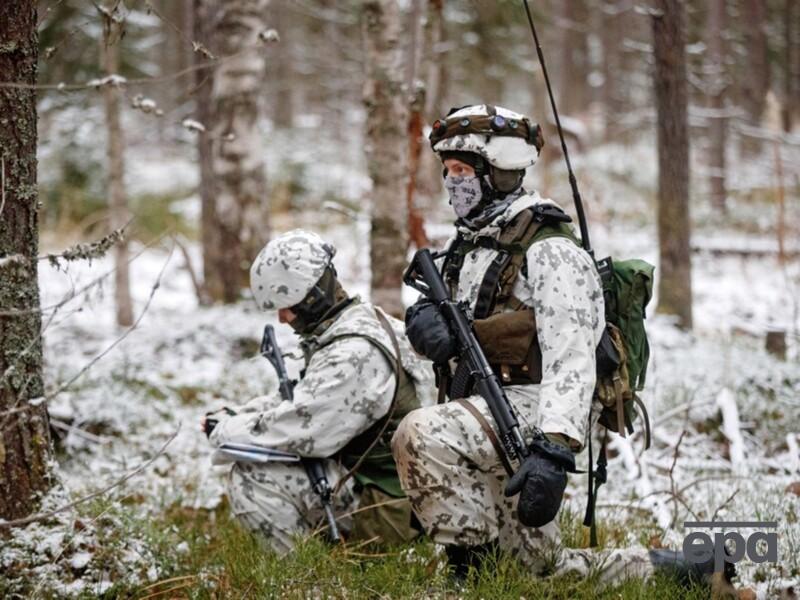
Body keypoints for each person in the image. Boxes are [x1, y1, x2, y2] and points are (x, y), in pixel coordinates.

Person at [392, 104, 726, 587]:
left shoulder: (549, 250)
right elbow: (462, 325)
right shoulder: (473, 243)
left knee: (420, 435)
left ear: (498, 171)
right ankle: (694, 573)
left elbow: (573, 358)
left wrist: (553, 450)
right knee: (542, 572)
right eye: (448, 172)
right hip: (484, 408)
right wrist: (423, 324)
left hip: (536, 411)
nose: (453, 183)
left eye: (463, 171)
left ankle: (469, 579)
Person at [203, 229, 435, 553]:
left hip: (391, 507)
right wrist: (242, 416)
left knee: (253, 478)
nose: (282, 319)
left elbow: (303, 431)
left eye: (287, 306)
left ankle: (303, 579)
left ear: (313, 296)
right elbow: (305, 397)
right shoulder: (363, 321)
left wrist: (226, 431)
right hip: (396, 490)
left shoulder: (353, 353)